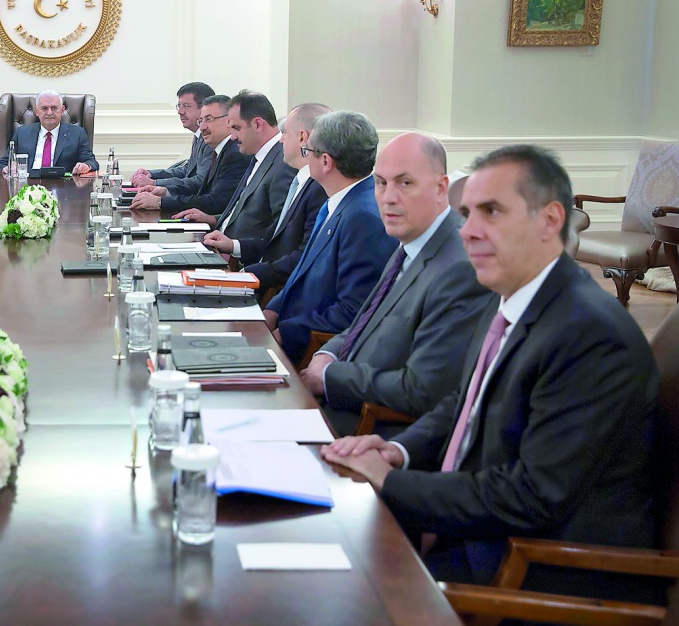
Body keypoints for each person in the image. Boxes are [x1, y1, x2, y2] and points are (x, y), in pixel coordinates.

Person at [322, 144, 660, 600]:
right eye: (467, 214)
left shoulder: (590, 335)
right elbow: (465, 406)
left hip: (530, 573)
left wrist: (392, 482)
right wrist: (396, 452)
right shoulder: (511, 295)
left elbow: (532, 496)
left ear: (550, 220)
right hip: (476, 531)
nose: (468, 231)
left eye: (492, 212)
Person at [298, 132, 489, 437]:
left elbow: (422, 389)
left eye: (405, 183)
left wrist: (331, 376)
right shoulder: (409, 242)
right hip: (333, 408)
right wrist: (327, 354)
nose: (388, 197)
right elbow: (364, 323)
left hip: (366, 432)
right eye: (381, 183)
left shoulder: (460, 269)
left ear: (441, 189)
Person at [263, 110, 395, 359]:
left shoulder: (363, 218)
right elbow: (304, 270)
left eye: (308, 151)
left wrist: (285, 333)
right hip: (286, 327)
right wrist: (273, 309)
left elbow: (353, 309)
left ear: (325, 161)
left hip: (308, 351)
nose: (306, 157)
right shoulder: (338, 202)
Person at [202, 103, 330, 292]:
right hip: (259, 273)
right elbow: (276, 238)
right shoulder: (300, 181)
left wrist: (247, 274)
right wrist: (234, 245)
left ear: (302, 138)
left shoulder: (316, 188)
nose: (281, 140)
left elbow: (302, 256)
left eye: (285, 133)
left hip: (273, 285)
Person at [174, 90, 296, 242]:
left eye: (236, 128)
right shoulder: (257, 156)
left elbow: (279, 234)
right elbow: (245, 213)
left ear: (258, 124)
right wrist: (212, 219)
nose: (232, 137)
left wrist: (235, 246)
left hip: (240, 254)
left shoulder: (283, 164)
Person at [128, 95, 248, 214]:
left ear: (228, 120)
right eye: (201, 121)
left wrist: (160, 202)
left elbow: (215, 202)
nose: (202, 127)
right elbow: (200, 189)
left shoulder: (234, 155)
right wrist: (165, 191)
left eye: (209, 119)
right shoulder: (220, 150)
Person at [129, 82, 216, 190]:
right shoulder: (198, 136)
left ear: (204, 108)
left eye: (186, 106)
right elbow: (187, 170)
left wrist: (155, 183)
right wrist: (151, 174)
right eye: (179, 106)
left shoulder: (211, 139)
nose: (180, 112)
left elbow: (200, 181)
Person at [0, 90, 99, 176]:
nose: (49, 113)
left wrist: (86, 166)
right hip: (28, 188)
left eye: (54, 108)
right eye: (44, 108)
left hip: (64, 189)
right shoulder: (22, 133)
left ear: (62, 110)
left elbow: (92, 162)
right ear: (37, 111)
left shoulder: (77, 134)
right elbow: (2, 164)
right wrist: (7, 168)